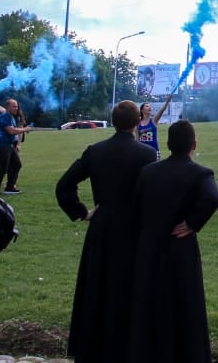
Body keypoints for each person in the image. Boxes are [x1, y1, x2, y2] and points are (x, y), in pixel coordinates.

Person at [55, 100, 158, 363]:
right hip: (132, 229)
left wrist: (82, 212)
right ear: (137, 122)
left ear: (113, 121)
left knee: (97, 287)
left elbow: (64, 185)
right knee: (128, 288)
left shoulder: (96, 151)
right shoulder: (145, 155)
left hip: (102, 227)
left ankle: (93, 346)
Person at [130, 120, 218, 363]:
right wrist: (192, 223)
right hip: (181, 248)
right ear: (194, 145)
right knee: (185, 304)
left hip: (150, 247)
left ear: (168, 144)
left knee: (152, 302)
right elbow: (213, 197)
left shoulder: (148, 171)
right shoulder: (201, 173)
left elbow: (136, 206)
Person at [0, 99, 31, 195]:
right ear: (8, 107)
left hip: (9, 146)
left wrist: (18, 143)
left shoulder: (11, 117)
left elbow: (14, 130)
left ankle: (10, 187)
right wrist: (24, 129)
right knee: (3, 169)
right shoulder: (4, 117)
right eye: (14, 106)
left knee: (17, 164)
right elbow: (11, 131)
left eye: (16, 106)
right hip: (2, 146)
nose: (16, 108)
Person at [137, 94, 173, 159]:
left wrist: (167, 102)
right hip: (142, 152)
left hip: (154, 152)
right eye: (147, 106)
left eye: (150, 106)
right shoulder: (138, 123)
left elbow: (161, 111)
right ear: (142, 110)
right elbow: (137, 140)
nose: (149, 107)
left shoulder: (154, 121)